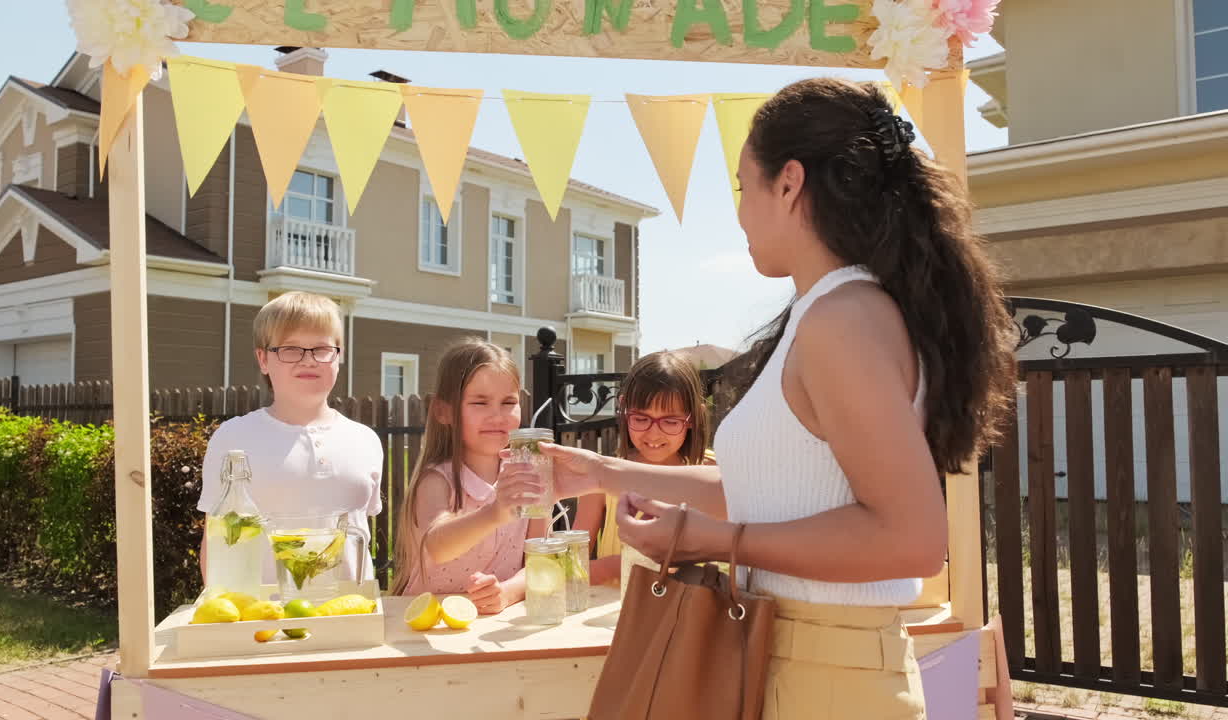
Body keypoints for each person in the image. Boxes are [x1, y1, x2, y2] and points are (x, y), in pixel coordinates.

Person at [510, 78, 1016, 720]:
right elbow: (778, 495)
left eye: (744, 187)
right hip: (792, 656)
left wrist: (707, 539)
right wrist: (602, 472)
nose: (742, 211)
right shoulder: (825, 313)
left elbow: (910, 538)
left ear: (789, 183)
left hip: (827, 675)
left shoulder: (842, 320)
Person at [199, 291, 383, 585]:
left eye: (321, 349)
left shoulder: (366, 440)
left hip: (350, 616)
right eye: (290, 349)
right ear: (263, 359)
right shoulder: (233, 438)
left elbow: (361, 534)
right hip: (263, 621)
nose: (308, 360)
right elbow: (217, 544)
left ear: (339, 355)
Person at [390, 340, 549, 614]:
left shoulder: (529, 476)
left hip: (491, 628)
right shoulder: (436, 481)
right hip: (427, 626)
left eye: (509, 402)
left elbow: (542, 560)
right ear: (444, 411)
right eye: (479, 402)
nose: (497, 416)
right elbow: (437, 545)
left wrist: (506, 593)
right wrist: (494, 513)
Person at [572, 351, 714, 586]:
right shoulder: (603, 476)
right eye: (641, 418)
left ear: (692, 418)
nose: (653, 434)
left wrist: (616, 566)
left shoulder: (712, 474)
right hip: (613, 616)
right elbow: (574, 563)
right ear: (623, 408)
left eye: (670, 421)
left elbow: (720, 560)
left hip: (688, 615)